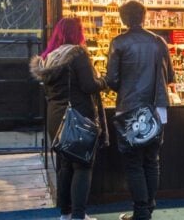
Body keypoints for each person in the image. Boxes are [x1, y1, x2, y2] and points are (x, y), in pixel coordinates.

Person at [30, 17, 107, 220]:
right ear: (77, 33)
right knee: (82, 166)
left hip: (56, 118)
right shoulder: (77, 54)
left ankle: (65, 214)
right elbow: (89, 85)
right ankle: (79, 215)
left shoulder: (49, 58)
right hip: (78, 118)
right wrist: (104, 80)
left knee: (65, 166)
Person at [105, 1, 174, 220]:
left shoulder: (119, 43)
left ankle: (141, 211)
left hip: (130, 108)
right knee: (152, 160)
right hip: (156, 106)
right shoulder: (158, 41)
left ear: (123, 18)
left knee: (133, 161)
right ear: (144, 16)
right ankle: (148, 208)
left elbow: (112, 80)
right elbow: (170, 76)